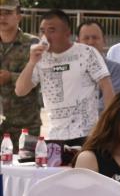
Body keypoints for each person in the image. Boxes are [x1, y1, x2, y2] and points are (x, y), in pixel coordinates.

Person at [14, 10, 114, 147]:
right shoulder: (40, 58)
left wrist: (108, 125)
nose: (45, 37)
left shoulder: (87, 53)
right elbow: (20, 91)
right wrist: (31, 62)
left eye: (52, 30)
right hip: (55, 135)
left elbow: (107, 88)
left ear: (67, 33)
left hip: (87, 135)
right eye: (42, 31)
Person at [0, 0, 41, 154]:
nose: (2, 17)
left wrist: (11, 77)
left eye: (8, 13)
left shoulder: (33, 44)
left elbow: (41, 78)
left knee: (28, 166)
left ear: (18, 16)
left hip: (26, 125)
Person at [77, 20, 120, 113]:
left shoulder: (116, 69)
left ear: (104, 41)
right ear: (78, 42)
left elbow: (113, 102)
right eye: (86, 38)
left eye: (95, 38)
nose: (91, 42)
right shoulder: (69, 68)